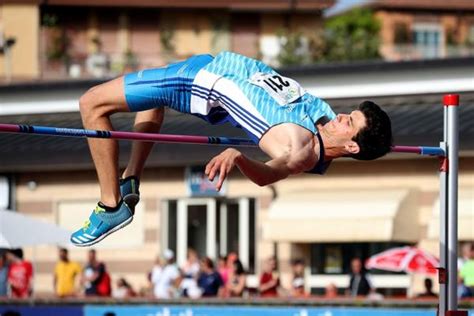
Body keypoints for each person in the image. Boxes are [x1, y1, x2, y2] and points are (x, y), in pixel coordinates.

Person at [70, 51, 393, 246]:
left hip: (199, 81)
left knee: (92, 104)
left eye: (348, 121)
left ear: (351, 144)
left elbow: (268, 174)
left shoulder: (301, 150)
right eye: (347, 113)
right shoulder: (320, 117)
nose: (340, 116)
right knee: (152, 98)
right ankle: (131, 180)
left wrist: (237, 156)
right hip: (214, 66)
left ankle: (110, 204)